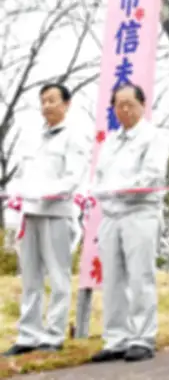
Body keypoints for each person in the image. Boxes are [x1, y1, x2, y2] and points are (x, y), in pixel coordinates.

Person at [3, 83, 87, 357]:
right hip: (30, 213)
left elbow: (73, 177)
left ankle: (53, 334)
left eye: (52, 100)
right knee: (30, 277)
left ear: (66, 104)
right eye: (43, 101)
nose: (47, 106)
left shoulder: (73, 137)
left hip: (56, 213)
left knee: (58, 276)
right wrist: (17, 196)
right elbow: (23, 175)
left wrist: (46, 193)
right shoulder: (33, 137)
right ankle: (28, 334)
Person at [89, 84, 169, 363]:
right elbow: (99, 177)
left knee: (140, 276)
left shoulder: (153, 137)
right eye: (118, 104)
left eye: (129, 104)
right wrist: (101, 191)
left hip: (140, 214)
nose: (124, 109)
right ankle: (116, 338)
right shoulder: (110, 141)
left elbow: (151, 176)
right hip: (111, 215)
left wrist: (116, 188)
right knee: (111, 279)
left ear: (142, 105)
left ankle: (142, 337)